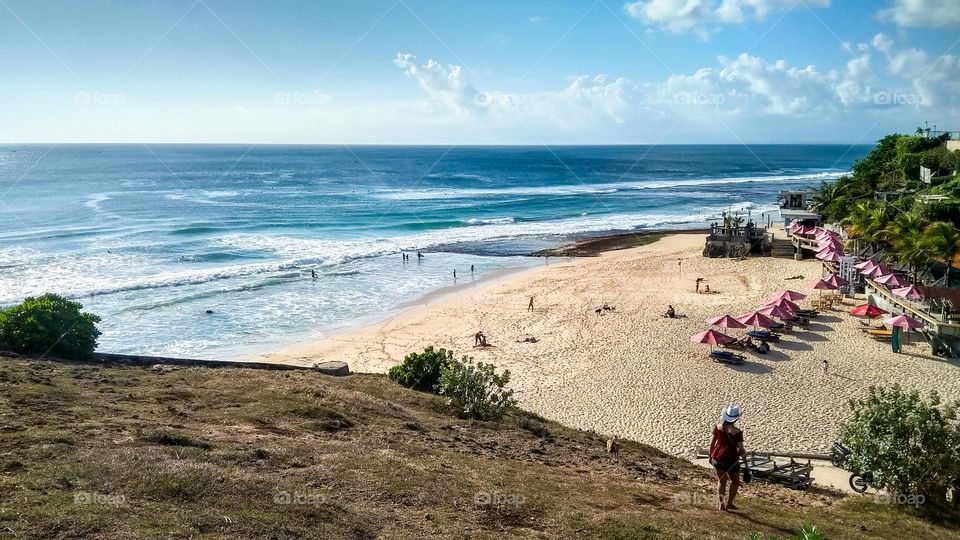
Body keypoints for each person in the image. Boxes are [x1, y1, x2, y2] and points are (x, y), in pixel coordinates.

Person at [708, 405, 748, 512]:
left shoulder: (717, 427)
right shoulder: (737, 432)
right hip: (731, 459)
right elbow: (741, 449)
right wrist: (746, 465)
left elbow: (712, 444)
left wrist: (710, 456)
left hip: (717, 457)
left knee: (722, 481)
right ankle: (729, 503)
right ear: (736, 418)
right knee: (735, 481)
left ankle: (721, 505)